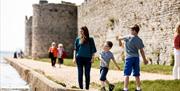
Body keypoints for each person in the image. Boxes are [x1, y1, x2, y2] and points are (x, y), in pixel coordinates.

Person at [117, 24, 148, 91]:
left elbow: (119, 40)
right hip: (136, 58)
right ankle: (138, 88)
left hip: (129, 58)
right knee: (137, 74)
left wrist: (119, 39)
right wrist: (145, 60)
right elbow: (141, 51)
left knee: (126, 74)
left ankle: (125, 89)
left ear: (134, 31)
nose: (130, 31)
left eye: (131, 30)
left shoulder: (128, 37)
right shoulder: (139, 40)